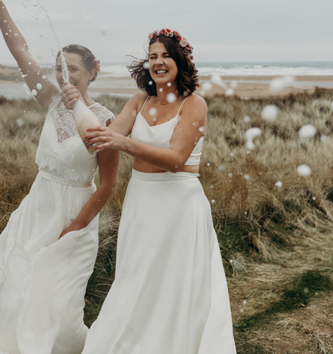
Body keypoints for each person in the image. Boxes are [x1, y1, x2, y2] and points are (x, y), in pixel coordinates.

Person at [65, 28, 236, 353]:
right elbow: (100, 140)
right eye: (153, 56)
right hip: (141, 200)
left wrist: (124, 142)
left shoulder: (194, 104)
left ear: (180, 61)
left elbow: (175, 159)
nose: (158, 62)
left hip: (180, 205)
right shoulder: (139, 100)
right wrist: (80, 104)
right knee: (136, 276)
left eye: (166, 55)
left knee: (175, 280)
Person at [0, 0, 120, 354]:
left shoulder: (107, 120)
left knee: (62, 298)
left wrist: (75, 228)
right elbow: (20, 50)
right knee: (25, 292)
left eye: (74, 69)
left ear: (93, 72)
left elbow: (107, 185)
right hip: (39, 204)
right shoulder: (50, 102)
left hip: (77, 213)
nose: (66, 76)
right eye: (61, 69)